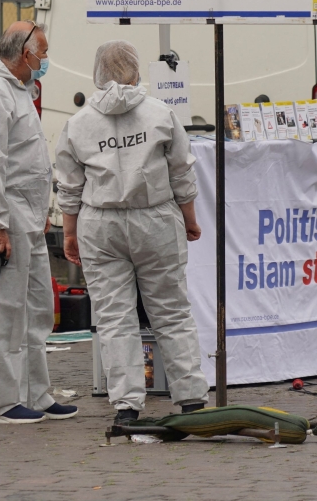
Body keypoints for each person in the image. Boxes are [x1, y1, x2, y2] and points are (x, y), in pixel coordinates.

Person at [55, 40, 209, 424]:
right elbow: (181, 171)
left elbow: (69, 186)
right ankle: (191, 397)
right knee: (171, 311)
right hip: (155, 217)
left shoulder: (78, 124)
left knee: (113, 317)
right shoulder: (160, 113)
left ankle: (126, 405)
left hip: (100, 222)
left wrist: (69, 233)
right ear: (136, 71)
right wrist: (189, 217)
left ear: (96, 73)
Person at [0, 20, 77, 425]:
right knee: (6, 313)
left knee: (36, 310)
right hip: (3, 220)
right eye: (42, 54)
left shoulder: (17, 91)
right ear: (24, 54)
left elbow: (25, 160)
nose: (44, 61)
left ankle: (35, 394)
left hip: (23, 217)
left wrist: (38, 213)